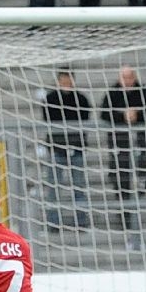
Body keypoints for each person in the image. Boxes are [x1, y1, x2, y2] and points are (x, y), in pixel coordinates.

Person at [99, 66, 146, 251]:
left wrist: (137, 114)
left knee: (142, 179)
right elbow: (104, 114)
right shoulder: (112, 94)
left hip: (139, 144)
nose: (128, 80)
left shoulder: (143, 93)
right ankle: (125, 217)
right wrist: (122, 115)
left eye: (131, 76)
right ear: (120, 78)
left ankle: (135, 211)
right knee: (120, 181)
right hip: (119, 145)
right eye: (125, 77)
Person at [41, 68, 92, 232]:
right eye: (63, 79)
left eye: (69, 79)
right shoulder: (50, 98)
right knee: (54, 188)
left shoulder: (81, 99)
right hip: (57, 148)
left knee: (78, 187)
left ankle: (81, 222)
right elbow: (49, 118)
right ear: (59, 80)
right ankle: (53, 223)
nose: (66, 82)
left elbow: (85, 117)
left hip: (76, 148)